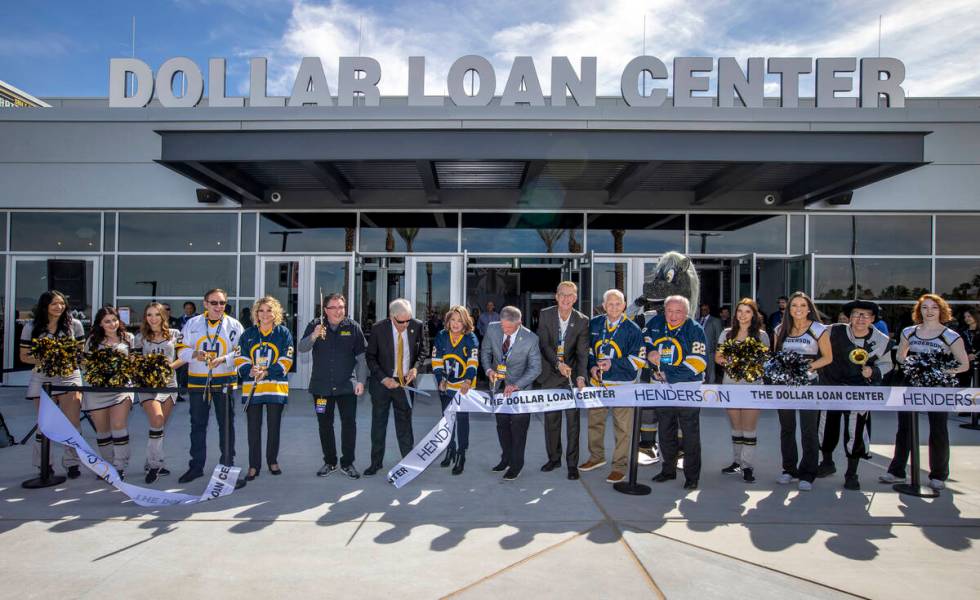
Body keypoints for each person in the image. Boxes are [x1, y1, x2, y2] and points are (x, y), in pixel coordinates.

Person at [880, 294, 970, 491]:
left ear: (941, 310)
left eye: (934, 308)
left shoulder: (950, 335)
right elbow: (900, 357)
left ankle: (938, 475)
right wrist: (916, 366)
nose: (929, 311)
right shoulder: (909, 332)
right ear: (919, 311)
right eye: (925, 307)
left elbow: (964, 364)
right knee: (905, 428)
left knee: (938, 429)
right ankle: (897, 471)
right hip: (911, 384)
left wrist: (938, 371)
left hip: (937, 387)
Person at [818, 300, 892, 491]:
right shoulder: (833, 330)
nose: (860, 318)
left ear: (873, 319)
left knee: (856, 431)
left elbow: (887, 364)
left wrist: (874, 372)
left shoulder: (881, 340)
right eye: (857, 314)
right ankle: (827, 463)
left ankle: (852, 473)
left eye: (865, 315)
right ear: (849, 316)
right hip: (831, 388)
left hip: (858, 391)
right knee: (826, 427)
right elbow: (812, 334)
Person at [176, 288, 245, 484]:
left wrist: (224, 359)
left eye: (222, 303)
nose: (218, 306)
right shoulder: (192, 323)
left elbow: (241, 353)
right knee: (197, 425)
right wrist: (194, 355)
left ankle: (227, 466)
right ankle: (196, 466)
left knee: (226, 426)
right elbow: (181, 350)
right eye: (213, 302)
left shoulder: (234, 325)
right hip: (198, 381)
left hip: (224, 381)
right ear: (205, 304)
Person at [299, 293, 367, 479]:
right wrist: (314, 335)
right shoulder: (316, 325)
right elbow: (302, 347)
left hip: (347, 387)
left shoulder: (353, 328)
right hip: (321, 388)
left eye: (341, 307)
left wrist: (361, 381)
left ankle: (348, 463)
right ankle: (330, 462)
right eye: (334, 307)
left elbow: (361, 358)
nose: (338, 311)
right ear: (325, 310)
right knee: (325, 424)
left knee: (348, 424)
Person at [580, 289, 645, 484]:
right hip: (598, 384)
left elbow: (638, 359)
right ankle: (596, 457)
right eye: (610, 304)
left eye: (618, 304)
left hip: (622, 386)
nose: (614, 307)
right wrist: (592, 367)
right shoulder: (596, 323)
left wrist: (613, 364)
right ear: (604, 305)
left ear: (624, 305)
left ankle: (619, 467)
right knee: (594, 423)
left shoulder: (633, 329)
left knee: (623, 429)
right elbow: (589, 351)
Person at [19, 290, 86, 478]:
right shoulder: (31, 326)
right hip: (43, 376)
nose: (59, 307)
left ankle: (72, 463)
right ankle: (44, 464)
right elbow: (24, 356)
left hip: (69, 376)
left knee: (72, 423)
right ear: (45, 306)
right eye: (54, 304)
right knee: (45, 424)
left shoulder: (75, 325)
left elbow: (80, 355)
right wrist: (49, 359)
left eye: (62, 303)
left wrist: (67, 359)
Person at [646, 295, 708, 490]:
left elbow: (698, 363)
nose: (672, 315)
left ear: (686, 312)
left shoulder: (695, 329)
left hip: (687, 389)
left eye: (678, 311)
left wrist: (668, 374)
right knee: (665, 430)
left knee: (689, 434)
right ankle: (668, 470)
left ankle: (692, 476)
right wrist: (650, 352)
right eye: (669, 311)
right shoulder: (656, 322)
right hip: (661, 389)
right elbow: (645, 340)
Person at [773, 292, 833, 491]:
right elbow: (777, 358)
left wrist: (807, 368)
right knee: (787, 428)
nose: (798, 309)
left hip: (809, 385)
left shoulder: (818, 329)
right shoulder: (780, 329)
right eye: (793, 305)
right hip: (786, 387)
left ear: (809, 308)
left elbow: (828, 358)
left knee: (808, 430)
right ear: (788, 309)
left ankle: (808, 473)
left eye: (802, 305)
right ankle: (789, 469)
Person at [364, 298, 427, 476]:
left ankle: (408, 464)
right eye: (402, 322)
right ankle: (375, 463)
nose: (406, 325)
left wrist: (415, 369)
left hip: (405, 384)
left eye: (408, 320)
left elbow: (423, 350)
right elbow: (370, 357)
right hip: (382, 384)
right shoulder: (378, 329)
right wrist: (384, 379)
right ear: (392, 317)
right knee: (378, 424)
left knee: (405, 425)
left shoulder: (417, 325)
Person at [236, 297, 294, 481]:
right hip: (253, 388)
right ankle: (254, 465)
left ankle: (272, 461)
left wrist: (268, 371)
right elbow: (240, 358)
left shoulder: (283, 333)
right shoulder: (247, 334)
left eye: (269, 310)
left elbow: (287, 359)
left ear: (275, 313)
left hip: (275, 388)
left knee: (274, 427)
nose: (265, 314)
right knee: (253, 429)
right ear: (256, 313)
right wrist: (249, 370)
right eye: (261, 310)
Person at [536, 281, 589, 480]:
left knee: (573, 423)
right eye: (562, 295)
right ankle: (554, 458)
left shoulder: (582, 320)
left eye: (570, 295)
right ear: (556, 296)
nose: (566, 299)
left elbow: (583, 353)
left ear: (575, 298)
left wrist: (581, 377)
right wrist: (558, 364)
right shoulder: (545, 315)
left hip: (572, 377)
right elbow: (544, 344)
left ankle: (572, 464)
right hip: (550, 374)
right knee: (551, 421)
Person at [481, 306, 542, 481]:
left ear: (519, 323)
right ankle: (505, 458)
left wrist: (516, 385)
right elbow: (485, 352)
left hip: (520, 390)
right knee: (502, 426)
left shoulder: (531, 339)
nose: (504, 330)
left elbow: (535, 368)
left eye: (509, 328)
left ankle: (516, 465)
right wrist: (488, 371)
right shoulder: (493, 328)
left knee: (518, 428)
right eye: (503, 326)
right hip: (498, 385)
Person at [714, 298, 770, 483]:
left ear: (754, 315)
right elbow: (718, 356)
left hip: (752, 387)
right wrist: (731, 362)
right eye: (740, 311)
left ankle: (747, 466)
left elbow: (765, 361)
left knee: (749, 428)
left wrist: (748, 364)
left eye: (747, 311)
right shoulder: (727, 333)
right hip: (730, 385)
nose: (742, 315)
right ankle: (737, 462)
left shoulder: (761, 336)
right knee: (736, 427)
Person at [133, 302, 185, 484]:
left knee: (160, 425)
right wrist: (148, 371)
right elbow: (135, 361)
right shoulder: (139, 337)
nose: (153, 318)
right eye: (149, 315)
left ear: (164, 316)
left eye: (156, 314)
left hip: (169, 384)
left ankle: (150, 460)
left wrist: (168, 367)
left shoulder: (175, 335)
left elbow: (182, 358)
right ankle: (156, 464)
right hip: (147, 386)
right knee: (157, 419)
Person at [83, 306, 136, 479]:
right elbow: (84, 363)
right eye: (107, 321)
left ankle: (120, 466)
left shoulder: (128, 338)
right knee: (102, 429)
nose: (112, 324)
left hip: (122, 388)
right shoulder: (92, 340)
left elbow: (133, 362)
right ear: (100, 323)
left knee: (119, 425)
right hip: (98, 389)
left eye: (114, 320)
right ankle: (107, 465)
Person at [432, 305, 480, 475]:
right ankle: (450, 449)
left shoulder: (470, 338)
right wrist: (440, 380)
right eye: (453, 319)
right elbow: (436, 360)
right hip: (446, 385)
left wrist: (467, 381)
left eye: (459, 320)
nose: (455, 323)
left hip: (463, 387)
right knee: (447, 418)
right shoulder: (441, 336)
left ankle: (461, 453)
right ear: (448, 321)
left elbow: (473, 362)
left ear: (465, 322)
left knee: (461, 419)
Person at [175, 301, 197, 402]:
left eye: (190, 308)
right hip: (182, 348)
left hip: (194, 348)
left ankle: (192, 387)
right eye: (187, 308)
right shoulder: (179, 320)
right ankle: (182, 388)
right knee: (181, 370)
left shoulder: (198, 320)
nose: (188, 310)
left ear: (194, 309)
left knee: (191, 368)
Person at [698, 303, 723, 385]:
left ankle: (711, 389)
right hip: (698, 351)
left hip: (710, 351)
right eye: (702, 310)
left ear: (709, 310)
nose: (703, 311)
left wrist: (717, 351)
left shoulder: (715, 321)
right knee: (699, 372)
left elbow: (719, 337)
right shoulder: (697, 320)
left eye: (705, 309)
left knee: (710, 372)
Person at [957, 308, 979, 387]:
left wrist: (976, 355)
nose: (966, 319)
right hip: (966, 363)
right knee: (963, 386)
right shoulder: (962, 332)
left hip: (978, 362)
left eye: (969, 316)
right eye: (965, 317)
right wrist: (968, 354)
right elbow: (959, 346)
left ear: (975, 316)